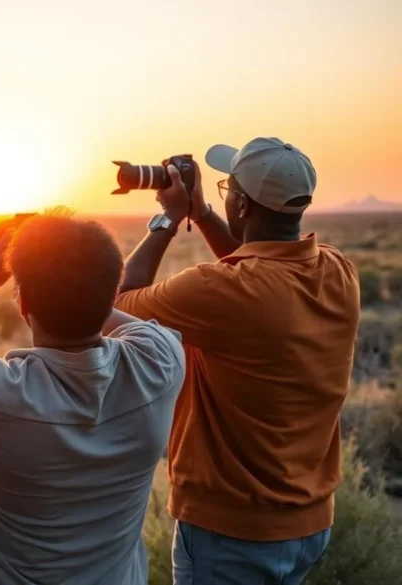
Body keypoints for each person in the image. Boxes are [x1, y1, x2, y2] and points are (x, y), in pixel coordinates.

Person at [116, 137, 360, 584]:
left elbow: (118, 305)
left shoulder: (221, 290)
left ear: (243, 207)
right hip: (308, 524)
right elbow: (255, 269)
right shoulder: (338, 272)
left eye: (228, 189)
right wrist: (204, 214)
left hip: (230, 533)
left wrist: (169, 218)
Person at [0, 210, 186, 584]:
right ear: (112, 291)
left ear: (23, 304)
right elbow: (105, 308)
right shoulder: (160, 361)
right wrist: (82, 279)